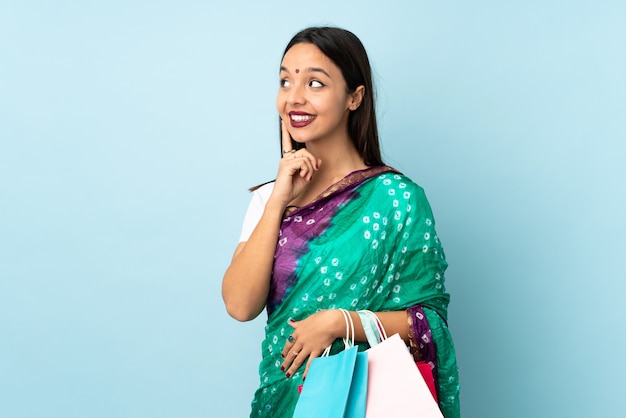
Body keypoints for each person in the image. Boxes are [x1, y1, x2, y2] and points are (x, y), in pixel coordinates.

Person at [222, 26, 460, 418]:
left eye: (315, 83)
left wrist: (341, 324)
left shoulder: (399, 200)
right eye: (285, 81)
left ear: (355, 97)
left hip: (369, 401)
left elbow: (429, 324)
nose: (294, 97)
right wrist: (280, 198)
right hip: (285, 399)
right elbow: (240, 304)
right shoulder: (271, 198)